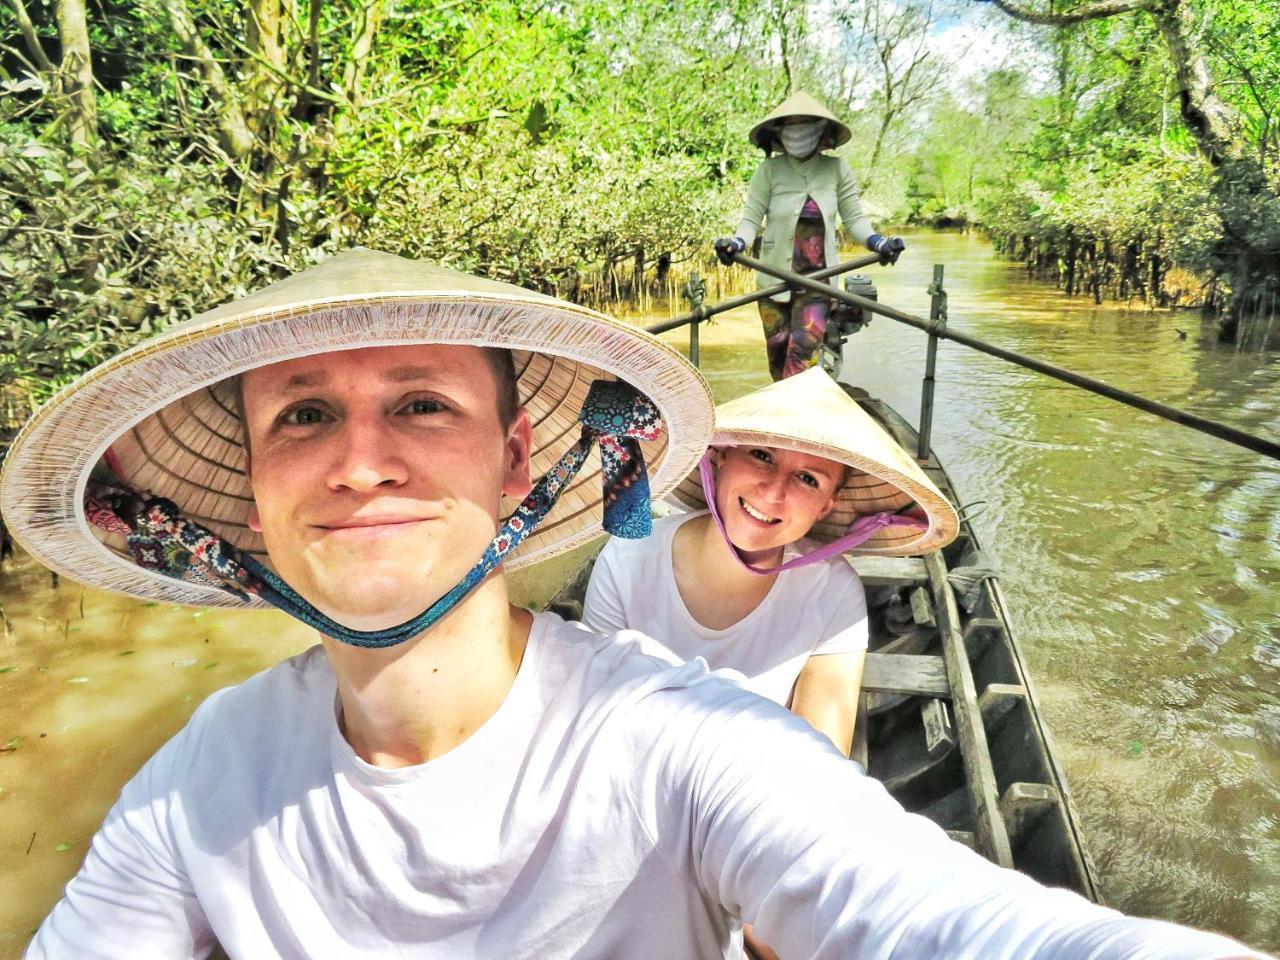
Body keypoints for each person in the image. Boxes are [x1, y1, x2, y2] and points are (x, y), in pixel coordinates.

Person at [3, 249, 1268, 960]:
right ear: (254, 496)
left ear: (517, 466)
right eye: (304, 417)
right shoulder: (201, 772)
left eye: (424, 403)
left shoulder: (700, 733)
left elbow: (947, 916)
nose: (359, 462)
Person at [583, 367, 958, 757]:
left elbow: (818, 762)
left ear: (825, 507)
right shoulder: (628, 558)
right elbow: (592, 717)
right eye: (762, 456)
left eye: (808, 479)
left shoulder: (833, 593)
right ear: (723, 457)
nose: (773, 492)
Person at [714, 91, 907, 382]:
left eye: (805, 124)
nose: (798, 131)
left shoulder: (836, 169)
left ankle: (794, 418)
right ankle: (784, 416)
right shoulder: (768, 170)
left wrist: (880, 243)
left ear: (820, 130)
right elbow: (750, 220)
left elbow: (854, 219)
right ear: (780, 133)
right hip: (773, 282)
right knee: (778, 359)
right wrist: (735, 244)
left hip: (819, 282)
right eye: (792, 125)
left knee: (801, 357)